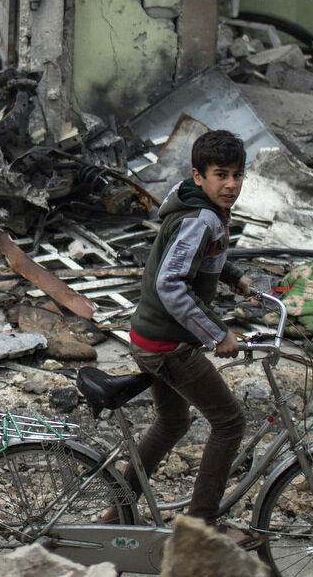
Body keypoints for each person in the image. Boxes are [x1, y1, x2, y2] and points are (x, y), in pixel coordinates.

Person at [122, 129, 259, 547]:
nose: (231, 185)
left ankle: (119, 506)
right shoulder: (199, 218)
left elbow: (201, 258)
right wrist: (218, 333)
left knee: (173, 421)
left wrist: (234, 277)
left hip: (149, 336)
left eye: (238, 175)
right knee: (230, 422)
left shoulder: (201, 209)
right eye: (221, 175)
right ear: (198, 175)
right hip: (168, 343)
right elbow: (171, 283)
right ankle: (200, 526)